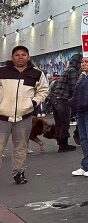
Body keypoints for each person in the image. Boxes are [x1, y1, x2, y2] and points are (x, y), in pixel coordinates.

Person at [0, 46, 49, 185]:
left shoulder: (36, 73)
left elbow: (44, 90)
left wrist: (33, 102)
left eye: (23, 54)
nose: (20, 57)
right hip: (2, 117)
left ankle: (19, 173)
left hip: (24, 117)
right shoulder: (2, 71)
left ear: (28, 57)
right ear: (12, 57)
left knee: (21, 147)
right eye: (17, 55)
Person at [49, 53, 82, 151]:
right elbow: (74, 87)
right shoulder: (73, 71)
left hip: (55, 98)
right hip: (63, 99)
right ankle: (63, 145)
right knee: (65, 122)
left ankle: (61, 144)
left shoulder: (67, 69)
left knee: (59, 122)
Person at [69, 56, 88, 177]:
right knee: (83, 139)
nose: (83, 64)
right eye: (82, 62)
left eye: (87, 61)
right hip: (81, 111)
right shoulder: (82, 77)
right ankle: (86, 165)